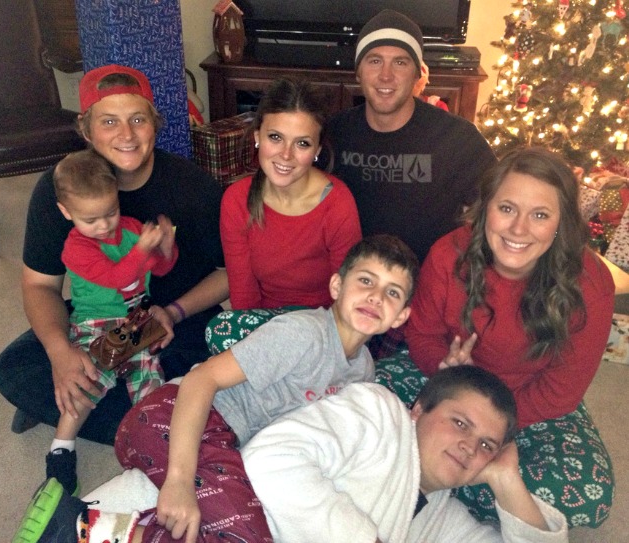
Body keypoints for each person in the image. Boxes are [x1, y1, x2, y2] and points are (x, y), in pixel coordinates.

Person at [13, 234, 417, 543]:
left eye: (392, 293)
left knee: (215, 527)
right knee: (245, 536)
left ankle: (85, 527)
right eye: (366, 281)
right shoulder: (305, 334)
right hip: (173, 417)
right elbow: (201, 380)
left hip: (224, 446)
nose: (375, 297)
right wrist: (179, 480)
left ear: (401, 316)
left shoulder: (362, 371)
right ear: (337, 286)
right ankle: (76, 528)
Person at [0, 64, 228, 445]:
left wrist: (174, 311)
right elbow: (39, 286)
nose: (126, 134)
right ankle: (149, 422)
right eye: (109, 122)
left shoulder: (194, 186)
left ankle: (74, 407)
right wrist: (60, 353)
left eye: (138, 119)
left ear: (155, 124)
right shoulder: (59, 188)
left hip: (176, 321)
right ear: (86, 130)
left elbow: (228, 273)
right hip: (99, 317)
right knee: (13, 368)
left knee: (208, 367)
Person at [405, 146, 615, 427]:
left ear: (561, 222)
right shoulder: (447, 254)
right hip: (450, 383)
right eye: (507, 208)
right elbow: (422, 335)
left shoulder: (591, 284)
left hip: (532, 406)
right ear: (485, 208)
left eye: (540, 215)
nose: (518, 229)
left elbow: (561, 391)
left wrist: (492, 426)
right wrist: (443, 365)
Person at [242, 366, 568, 542]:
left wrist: (506, 479)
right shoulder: (378, 412)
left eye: (486, 445)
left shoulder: (442, 517)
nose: (470, 447)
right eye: (460, 423)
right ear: (419, 410)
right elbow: (269, 460)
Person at [45, 148, 178, 495]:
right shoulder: (76, 247)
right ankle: (61, 448)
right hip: (95, 323)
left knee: (151, 376)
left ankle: (155, 442)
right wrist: (141, 250)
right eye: (91, 219)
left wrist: (165, 248)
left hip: (136, 322)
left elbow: (159, 269)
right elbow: (117, 276)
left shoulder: (132, 230)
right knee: (89, 380)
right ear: (66, 212)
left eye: (111, 212)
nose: (104, 225)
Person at [324, 9, 497, 264]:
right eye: (374, 61)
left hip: (430, 278)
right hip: (352, 277)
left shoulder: (457, 138)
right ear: (358, 71)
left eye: (400, 62)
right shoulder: (335, 132)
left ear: (418, 73)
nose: (386, 75)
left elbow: (501, 204)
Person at [221, 78, 361, 310]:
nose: (286, 155)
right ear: (257, 137)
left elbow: (346, 297)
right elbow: (243, 296)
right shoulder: (236, 200)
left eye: (302, 143)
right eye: (275, 137)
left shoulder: (338, 204)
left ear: (317, 151)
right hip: (262, 319)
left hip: (323, 319)